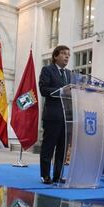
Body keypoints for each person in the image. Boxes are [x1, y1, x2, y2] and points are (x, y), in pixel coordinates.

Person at [39, 45, 71, 184]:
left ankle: (58, 175)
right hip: (53, 116)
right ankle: (45, 175)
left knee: (62, 149)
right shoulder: (47, 70)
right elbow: (43, 89)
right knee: (49, 147)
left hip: (67, 117)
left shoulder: (69, 73)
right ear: (55, 56)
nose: (67, 57)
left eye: (68, 55)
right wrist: (63, 91)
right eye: (64, 54)